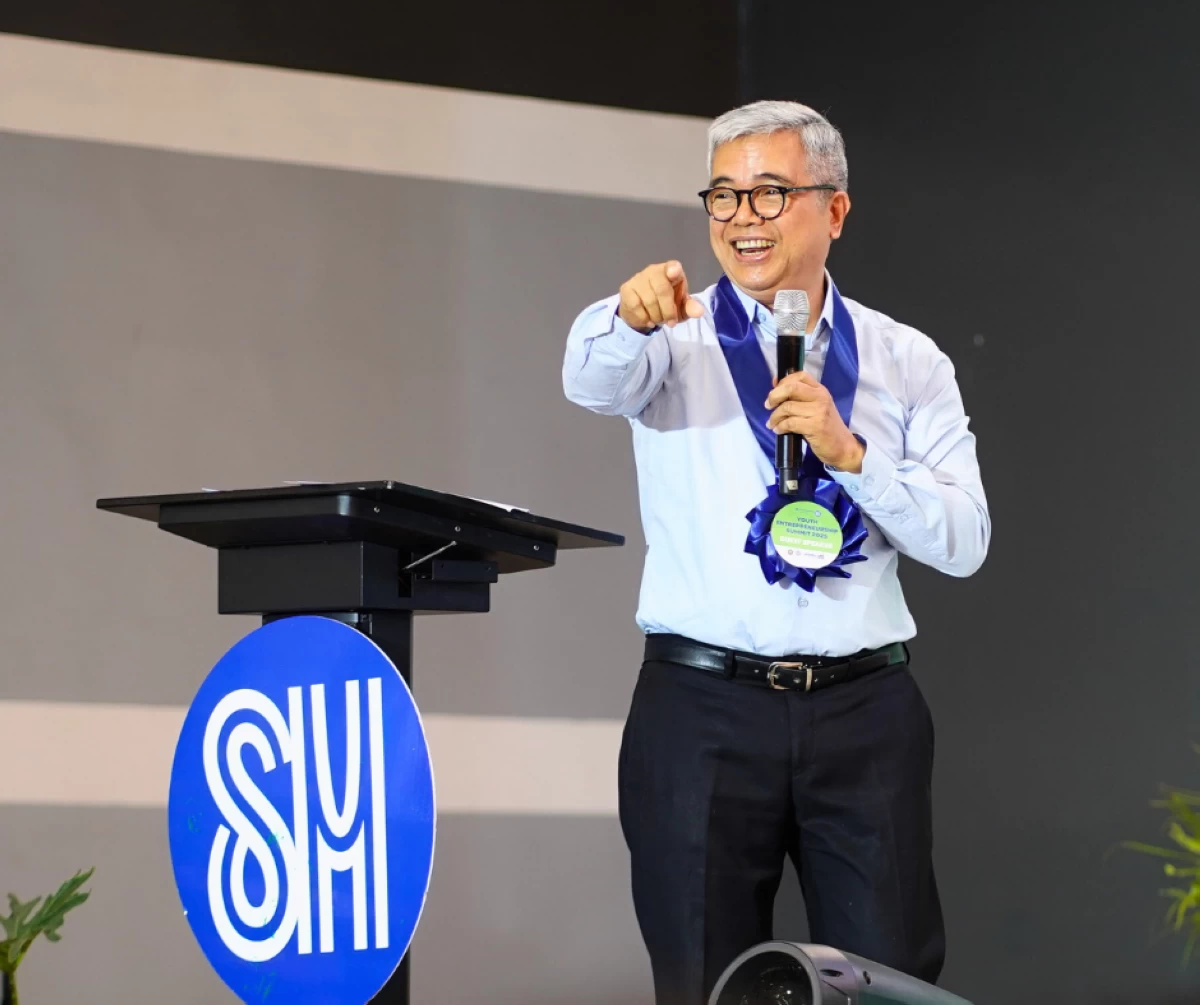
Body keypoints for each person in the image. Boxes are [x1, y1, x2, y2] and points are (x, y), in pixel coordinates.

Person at [561, 100, 990, 1005]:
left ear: (834, 210)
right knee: (699, 977)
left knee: (890, 984)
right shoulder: (668, 334)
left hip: (863, 710)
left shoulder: (907, 361)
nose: (743, 218)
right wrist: (624, 315)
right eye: (724, 195)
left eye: (770, 192)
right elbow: (587, 379)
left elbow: (964, 539)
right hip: (702, 709)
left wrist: (855, 456)